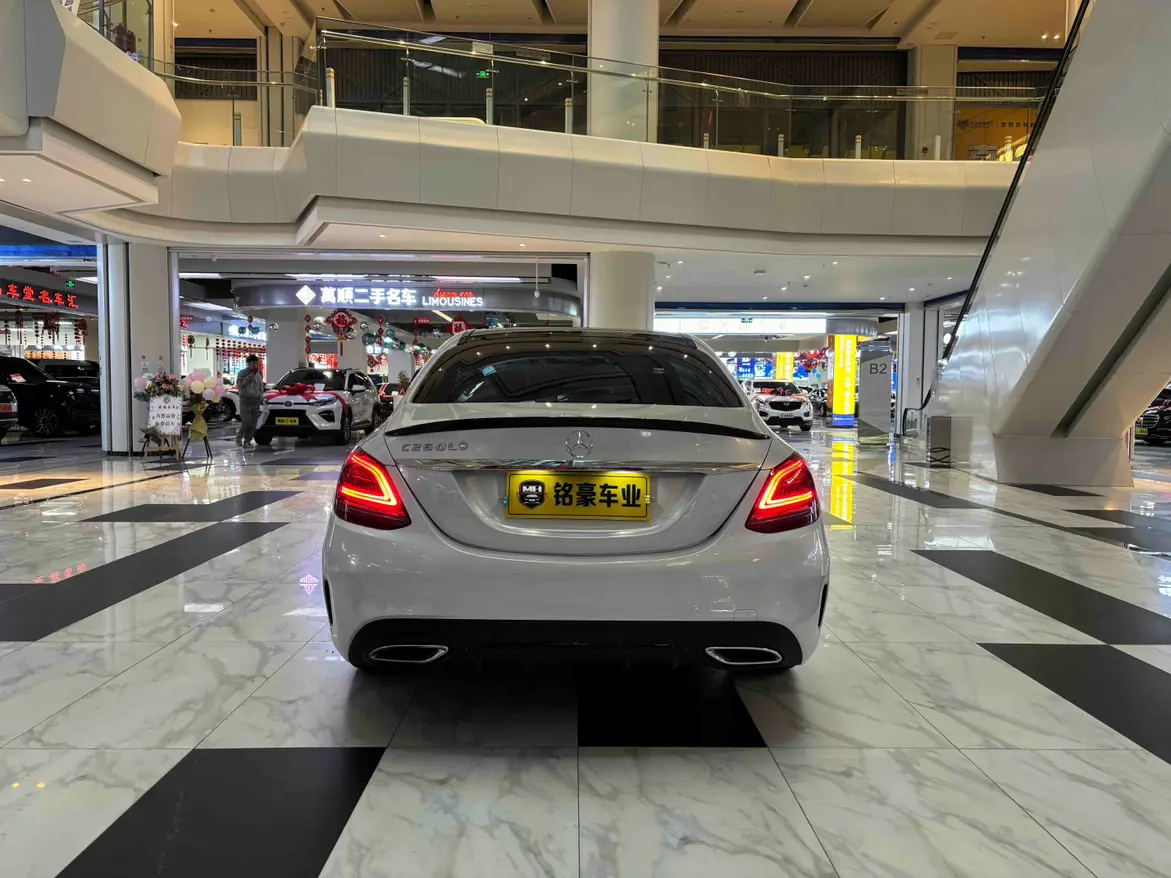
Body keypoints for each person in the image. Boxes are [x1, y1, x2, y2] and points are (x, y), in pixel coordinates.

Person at [235, 355, 264, 446]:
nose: (255, 365)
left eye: (256, 363)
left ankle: (248, 440)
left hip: (256, 401)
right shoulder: (242, 373)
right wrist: (249, 377)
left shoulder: (259, 373)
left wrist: (261, 396)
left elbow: (260, 386)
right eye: (253, 363)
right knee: (246, 422)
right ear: (248, 363)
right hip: (245, 400)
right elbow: (240, 384)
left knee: (254, 423)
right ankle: (239, 438)